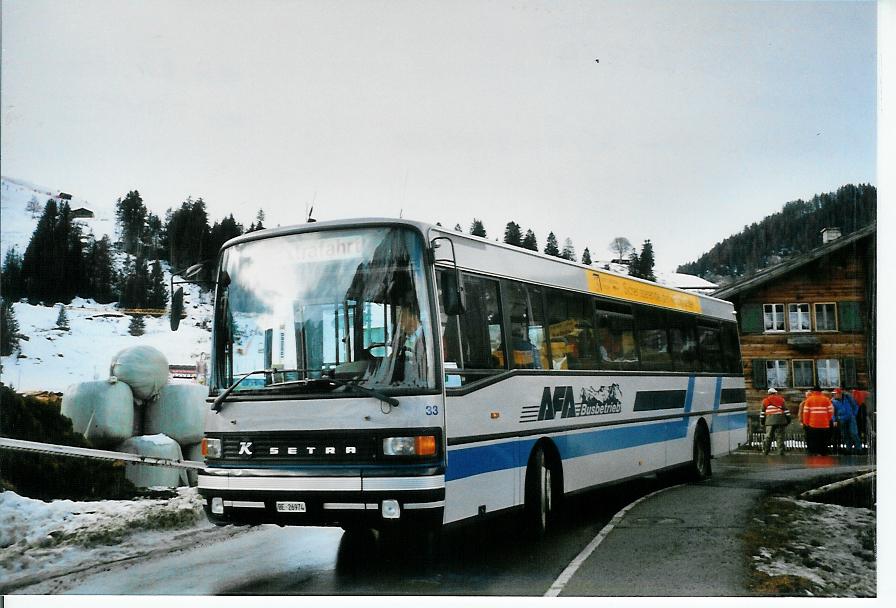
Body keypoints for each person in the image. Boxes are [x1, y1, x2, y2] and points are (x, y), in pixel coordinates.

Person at [801, 385, 835, 455]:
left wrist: (806, 423)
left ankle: (815, 453)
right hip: (824, 424)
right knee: (823, 439)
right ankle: (823, 452)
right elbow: (831, 412)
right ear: (821, 391)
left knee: (814, 439)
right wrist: (827, 420)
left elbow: (806, 413)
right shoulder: (826, 399)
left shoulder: (809, 400)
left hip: (812, 424)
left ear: (813, 391)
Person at [761, 387, 789, 455]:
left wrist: (762, 421)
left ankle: (765, 452)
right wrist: (788, 419)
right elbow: (786, 411)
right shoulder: (781, 400)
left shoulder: (765, 401)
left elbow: (762, 413)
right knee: (780, 437)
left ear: (769, 393)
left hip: (769, 421)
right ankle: (780, 452)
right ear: (775, 393)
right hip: (780, 420)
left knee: (768, 437)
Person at [832, 388, 860, 455]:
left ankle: (858, 448)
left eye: (835, 394)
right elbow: (832, 412)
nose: (834, 395)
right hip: (841, 419)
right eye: (834, 394)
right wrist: (834, 420)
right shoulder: (833, 401)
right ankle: (848, 449)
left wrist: (854, 414)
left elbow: (856, 406)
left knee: (854, 433)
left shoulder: (848, 398)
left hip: (851, 418)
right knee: (845, 434)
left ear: (840, 394)